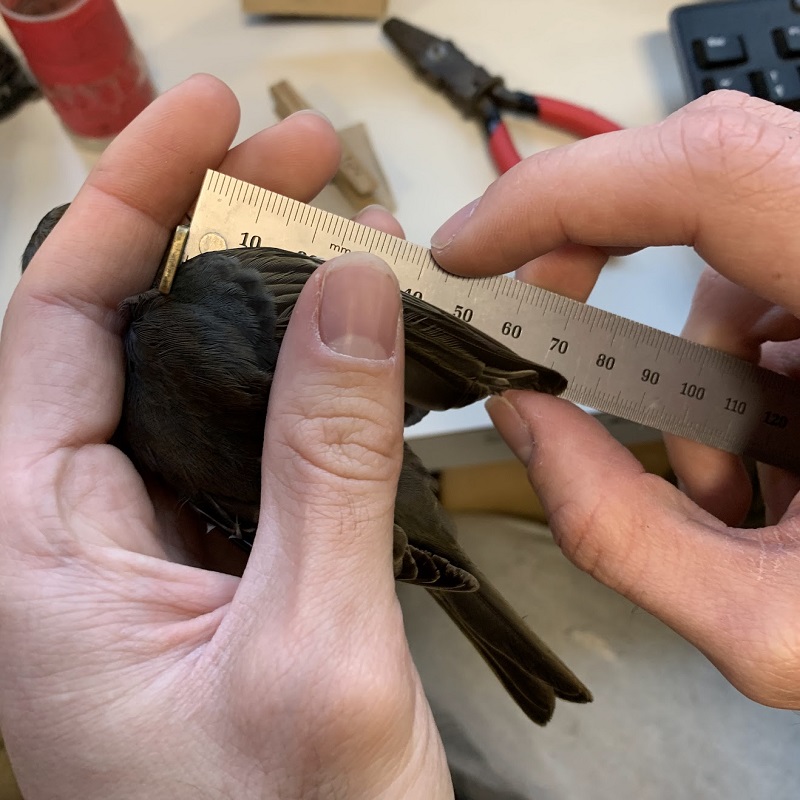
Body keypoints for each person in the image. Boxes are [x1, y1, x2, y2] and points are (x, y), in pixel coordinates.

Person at [0, 73, 796, 798]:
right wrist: (467, 358)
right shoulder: (198, 293)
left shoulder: (123, 432)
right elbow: (376, 307)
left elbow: (231, 508)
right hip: (362, 467)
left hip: (304, 531)